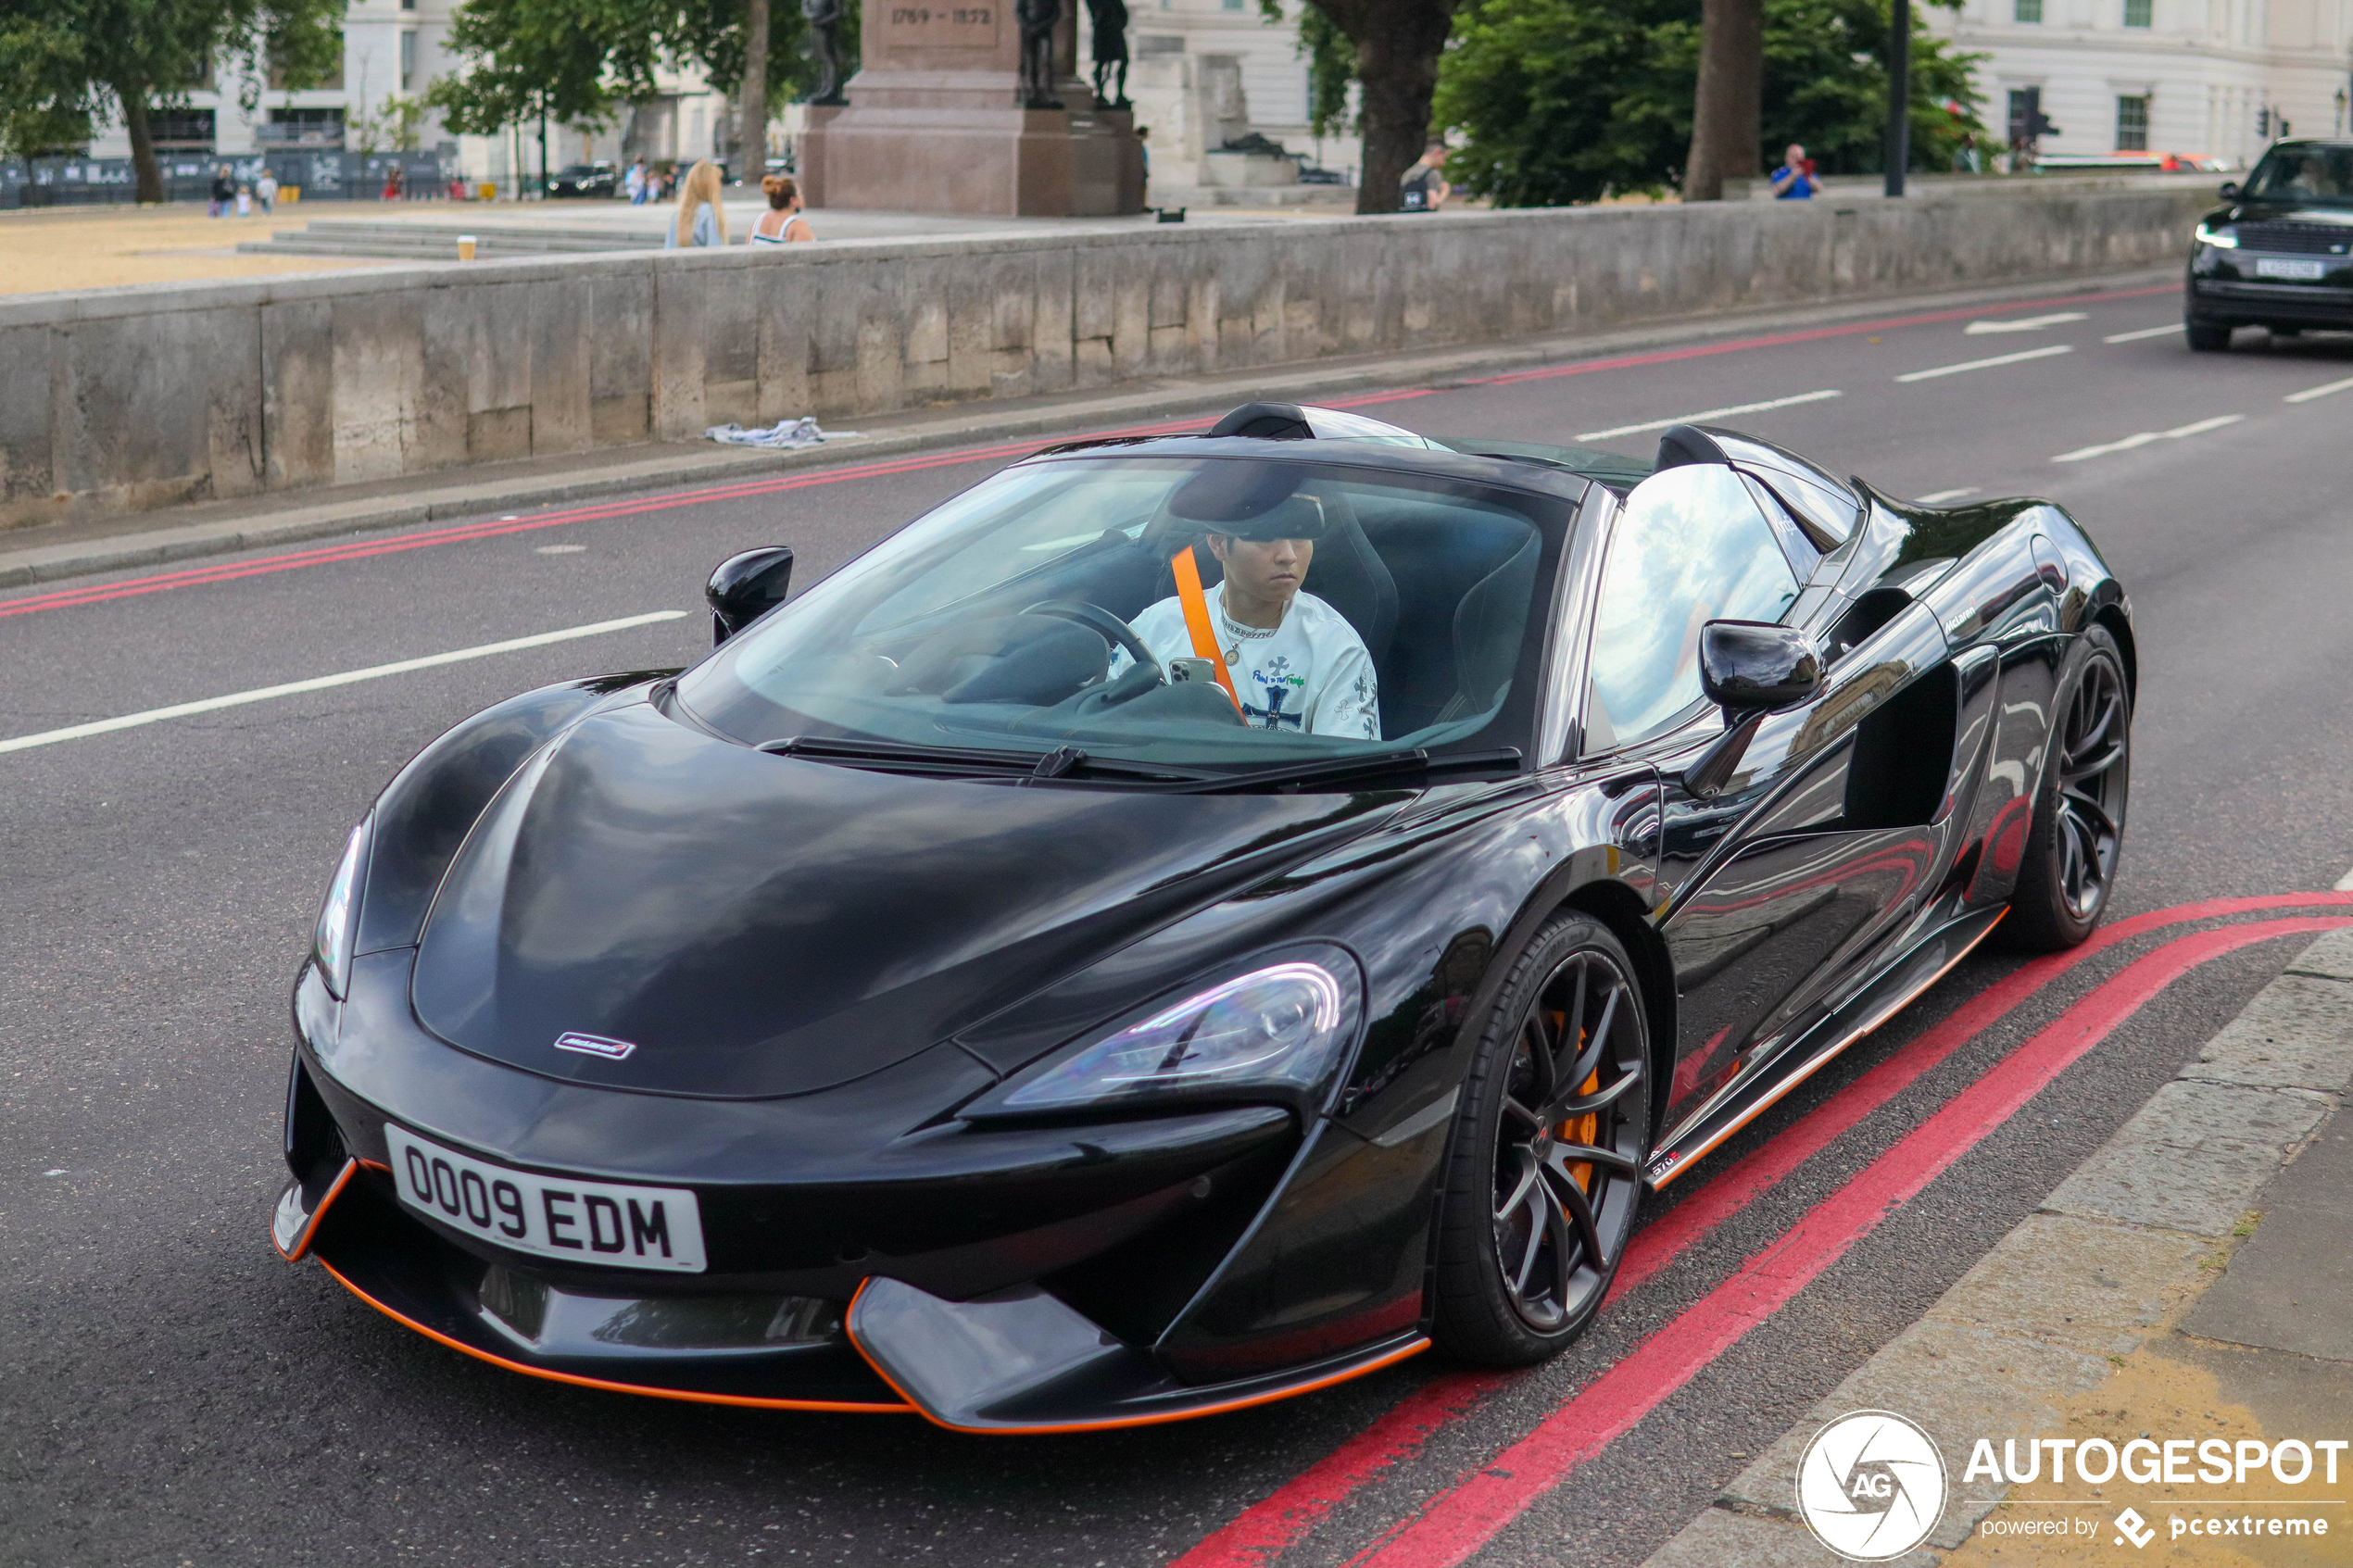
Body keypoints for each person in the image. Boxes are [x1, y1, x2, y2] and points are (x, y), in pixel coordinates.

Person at [1108, 496, 1381, 737]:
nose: (1288, 555)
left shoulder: (1336, 648)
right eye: (1265, 537)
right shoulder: (1155, 626)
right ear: (1217, 543)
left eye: (1300, 536)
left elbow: (1341, 782)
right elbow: (1102, 723)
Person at [667, 158, 729, 247]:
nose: (720, 185)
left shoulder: (678, 215)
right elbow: (716, 253)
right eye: (718, 181)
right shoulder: (710, 213)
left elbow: (669, 250)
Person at [750, 174, 813, 243]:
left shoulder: (758, 222)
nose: (802, 197)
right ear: (793, 200)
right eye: (800, 194)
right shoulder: (797, 226)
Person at [1400, 144, 1451, 211]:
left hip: (1407, 217)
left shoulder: (1408, 173)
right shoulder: (1432, 174)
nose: (1443, 163)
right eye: (1444, 158)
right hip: (1424, 218)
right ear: (1437, 152)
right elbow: (1432, 204)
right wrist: (1445, 191)